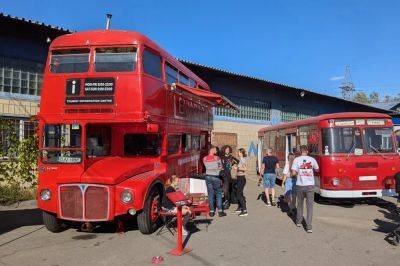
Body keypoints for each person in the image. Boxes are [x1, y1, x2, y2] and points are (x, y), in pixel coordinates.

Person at [291, 145, 319, 233]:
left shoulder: (296, 159)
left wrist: (297, 173)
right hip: (310, 185)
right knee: (310, 206)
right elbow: (317, 169)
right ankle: (309, 227)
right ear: (307, 151)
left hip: (300, 185)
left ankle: (299, 221)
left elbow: (293, 173)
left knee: (300, 204)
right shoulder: (312, 160)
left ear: (300, 151)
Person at [203, 146, 227, 217]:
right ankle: (220, 211)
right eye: (215, 151)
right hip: (216, 177)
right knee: (218, 194)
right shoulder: (217, 158)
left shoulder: (204, 158)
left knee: (210, 194)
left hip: (208, 177)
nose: (216, 152)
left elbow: (206, 167)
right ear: (213, 150)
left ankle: (211, 212)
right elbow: (220, 167)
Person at [236, 148, 248, 217]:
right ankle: (240, 207)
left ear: (242, 153)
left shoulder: (242, 159)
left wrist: (237, 168)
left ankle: (245, 210)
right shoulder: (241, 159)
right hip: (239, 178)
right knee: (239, 193)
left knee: (239, 195)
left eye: (239, 152)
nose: (238, 153)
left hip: (241, 178)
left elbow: (245, 169)